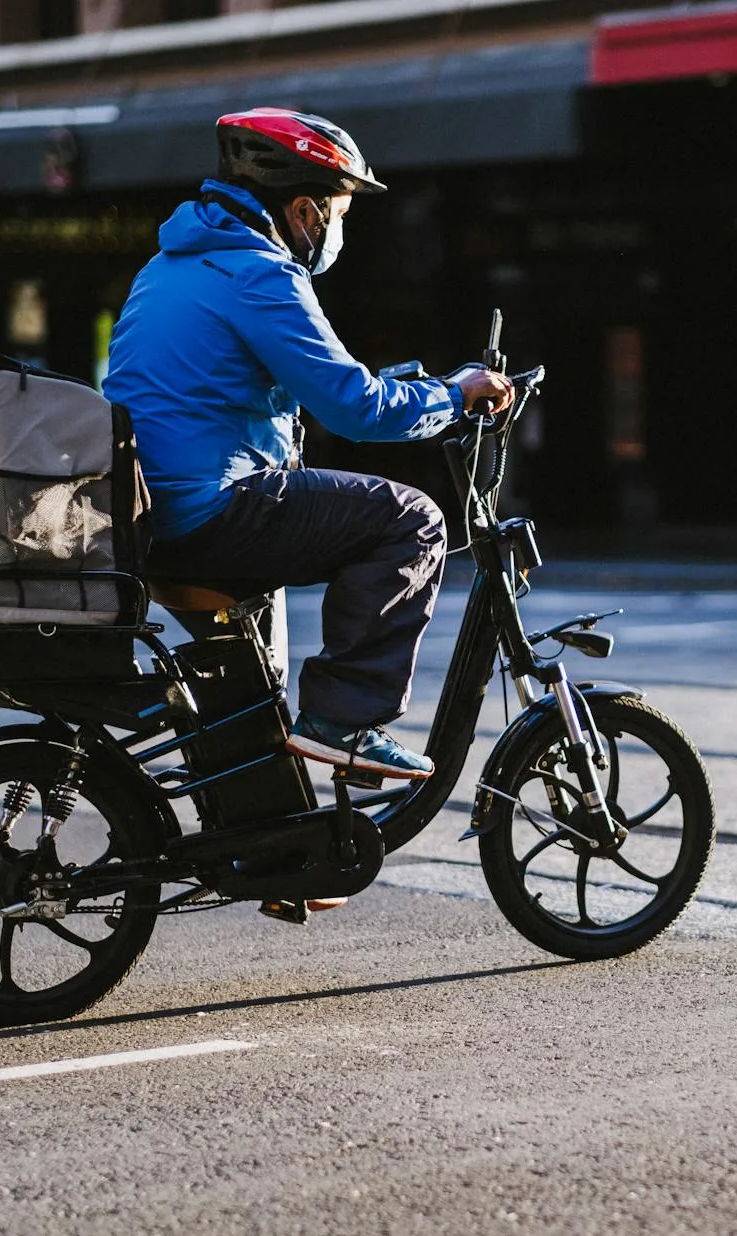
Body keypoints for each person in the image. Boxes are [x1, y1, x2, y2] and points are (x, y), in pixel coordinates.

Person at [103, 108, 514, 779]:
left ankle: (278, 857)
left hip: (156, 517)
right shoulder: (260, 273)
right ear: (304, 212)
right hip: (213, 512)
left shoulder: (170, 266)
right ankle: (346, 720)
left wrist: (418, 390)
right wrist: (457, 393)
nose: (339, 231)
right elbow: (355, 408)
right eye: (341, 214)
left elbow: (307, 386)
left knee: (251, 700)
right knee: (411, 519)